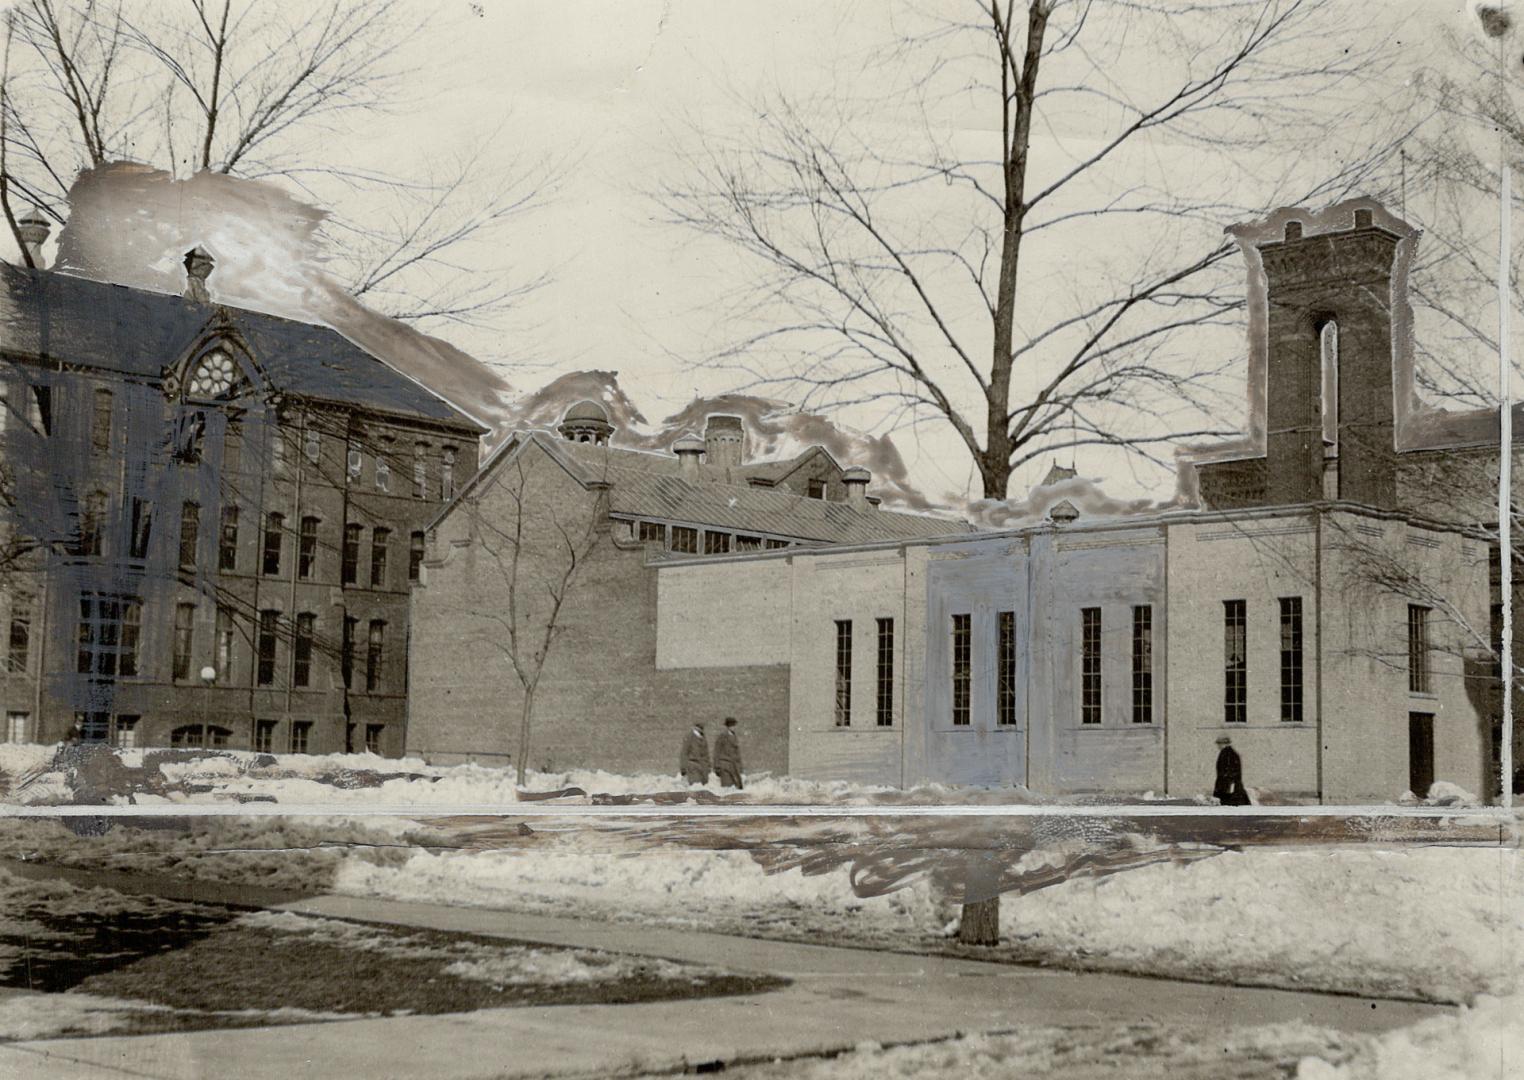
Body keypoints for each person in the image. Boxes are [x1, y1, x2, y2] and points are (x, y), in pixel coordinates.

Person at [1213, 735, 1251, 806]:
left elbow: (1227, 772)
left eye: (1219, 744)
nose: (1218, 746)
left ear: (1224, 744)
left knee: (1228, 805)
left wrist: (1226, 785)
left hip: (1227, 786)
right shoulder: (1232, 753)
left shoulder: (1226, 754)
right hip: (1231, 785)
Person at [714, 717, 743, 790]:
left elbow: (737, 754)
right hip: (725, 765)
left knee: (738, 788)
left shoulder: (734, 736)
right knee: (727, 788)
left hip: (734, 766)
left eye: (734, 725)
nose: (733, 727)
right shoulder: (722, 736)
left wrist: (740, 767)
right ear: (727, 726)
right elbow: (716, 751)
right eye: (731, 725)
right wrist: (717, 766)